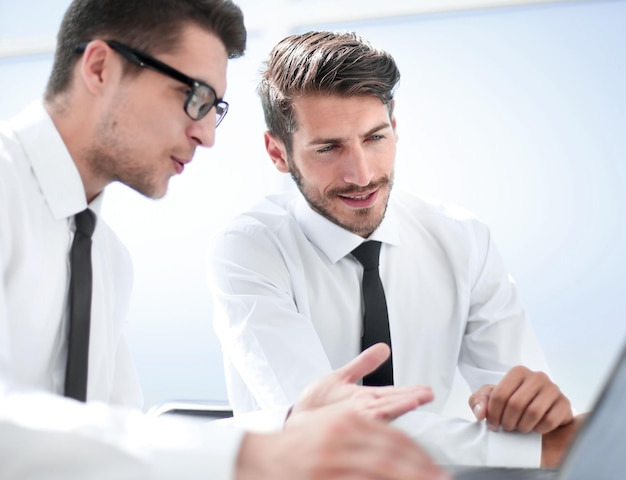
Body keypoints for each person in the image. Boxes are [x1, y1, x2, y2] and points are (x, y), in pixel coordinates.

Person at [0, 2, 450, 479]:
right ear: (100, 67)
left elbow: (117, 444)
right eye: (194, 97)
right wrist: (243, 455)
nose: (207, 135)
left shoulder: (106, 257)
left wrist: (288, 427)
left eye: (215, 108)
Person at [208, 30, 583, 468]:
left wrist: (529, 409)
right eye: (328, 148)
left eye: (375, 138)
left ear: (396, 128)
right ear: (278, 152)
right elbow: (324, 427)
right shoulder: (250, 248)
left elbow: (533, 413)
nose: (361, 174)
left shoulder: (463, 239)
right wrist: (541, 450)